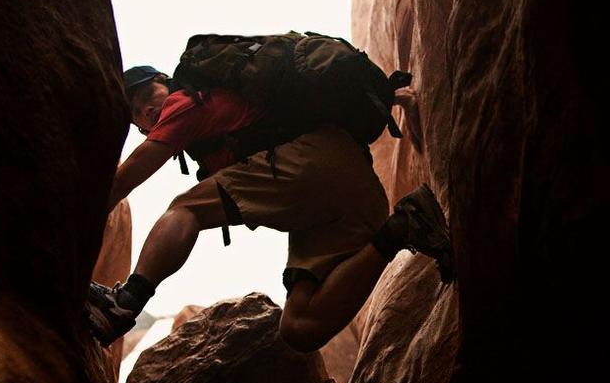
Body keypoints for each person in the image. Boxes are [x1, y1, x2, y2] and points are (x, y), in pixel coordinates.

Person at [86, 65, 453, 352]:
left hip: (315, 159)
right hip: (340, 193)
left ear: (166, 82)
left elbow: (127, 177)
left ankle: (127, 302)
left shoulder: (188, 102)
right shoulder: (216, 122)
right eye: (136, 113)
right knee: (300, 327)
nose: (146, 109)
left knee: (186, 209)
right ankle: (403, 226)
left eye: (146, 94)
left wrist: (74, 216)